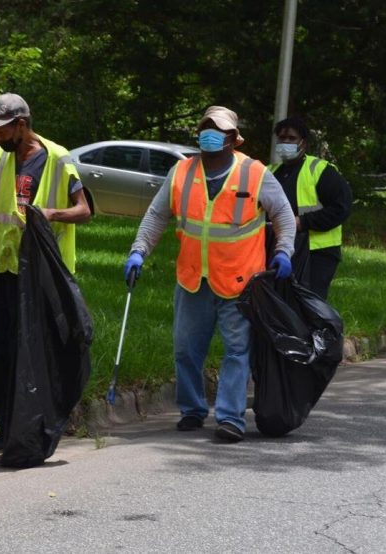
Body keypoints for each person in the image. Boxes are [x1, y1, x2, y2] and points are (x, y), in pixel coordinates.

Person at [124, 106, 296, 443]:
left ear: (233, 138)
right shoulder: (182, 172)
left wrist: (283, 251)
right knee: (186, 349)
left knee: (236, 350)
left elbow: (284, 216)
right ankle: (192, 409)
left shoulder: (255, 173)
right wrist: (138, 250)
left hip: (240, 280)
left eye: (217, 130)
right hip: (193, 278)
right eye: (205, 128)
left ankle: (230, 418)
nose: (209, 134)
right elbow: (157, 216)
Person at [0, 93, 91, 456]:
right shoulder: (1, 157)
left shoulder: (56, 157)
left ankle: (37, 428)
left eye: (1, 130)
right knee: (1, 353)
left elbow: (83, 210)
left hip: (42, 276)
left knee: (36, 355)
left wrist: (50, 214)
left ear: (21, 125)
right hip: (3, 268)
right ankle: (8, 431)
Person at [268, 117, 352, 300]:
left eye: (291, 138)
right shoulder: (271, 173)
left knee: (310, 306)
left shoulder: (320, 170)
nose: (285, 142)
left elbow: (341, 208)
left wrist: (302, 222)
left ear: (303, 143)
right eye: (282, 138)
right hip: (281, 250)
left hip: (317, 252)